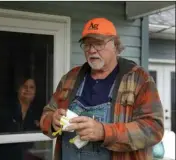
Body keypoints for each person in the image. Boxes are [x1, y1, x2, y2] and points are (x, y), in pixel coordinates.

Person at [40, 17, 164, 160]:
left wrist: (105, 132)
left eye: (98, 43)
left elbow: (154, 129)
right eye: (87, 44)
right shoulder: (70, 78)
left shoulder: (139, 79)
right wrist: (52, 121)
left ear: (115, 45)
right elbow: (47, 115)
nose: (91, 50)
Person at [0, 76, 42, 160]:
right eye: (24, 86)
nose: (28, 90)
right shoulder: (6, 109)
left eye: (31, 87)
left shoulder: (35, 112)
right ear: (18, 89)